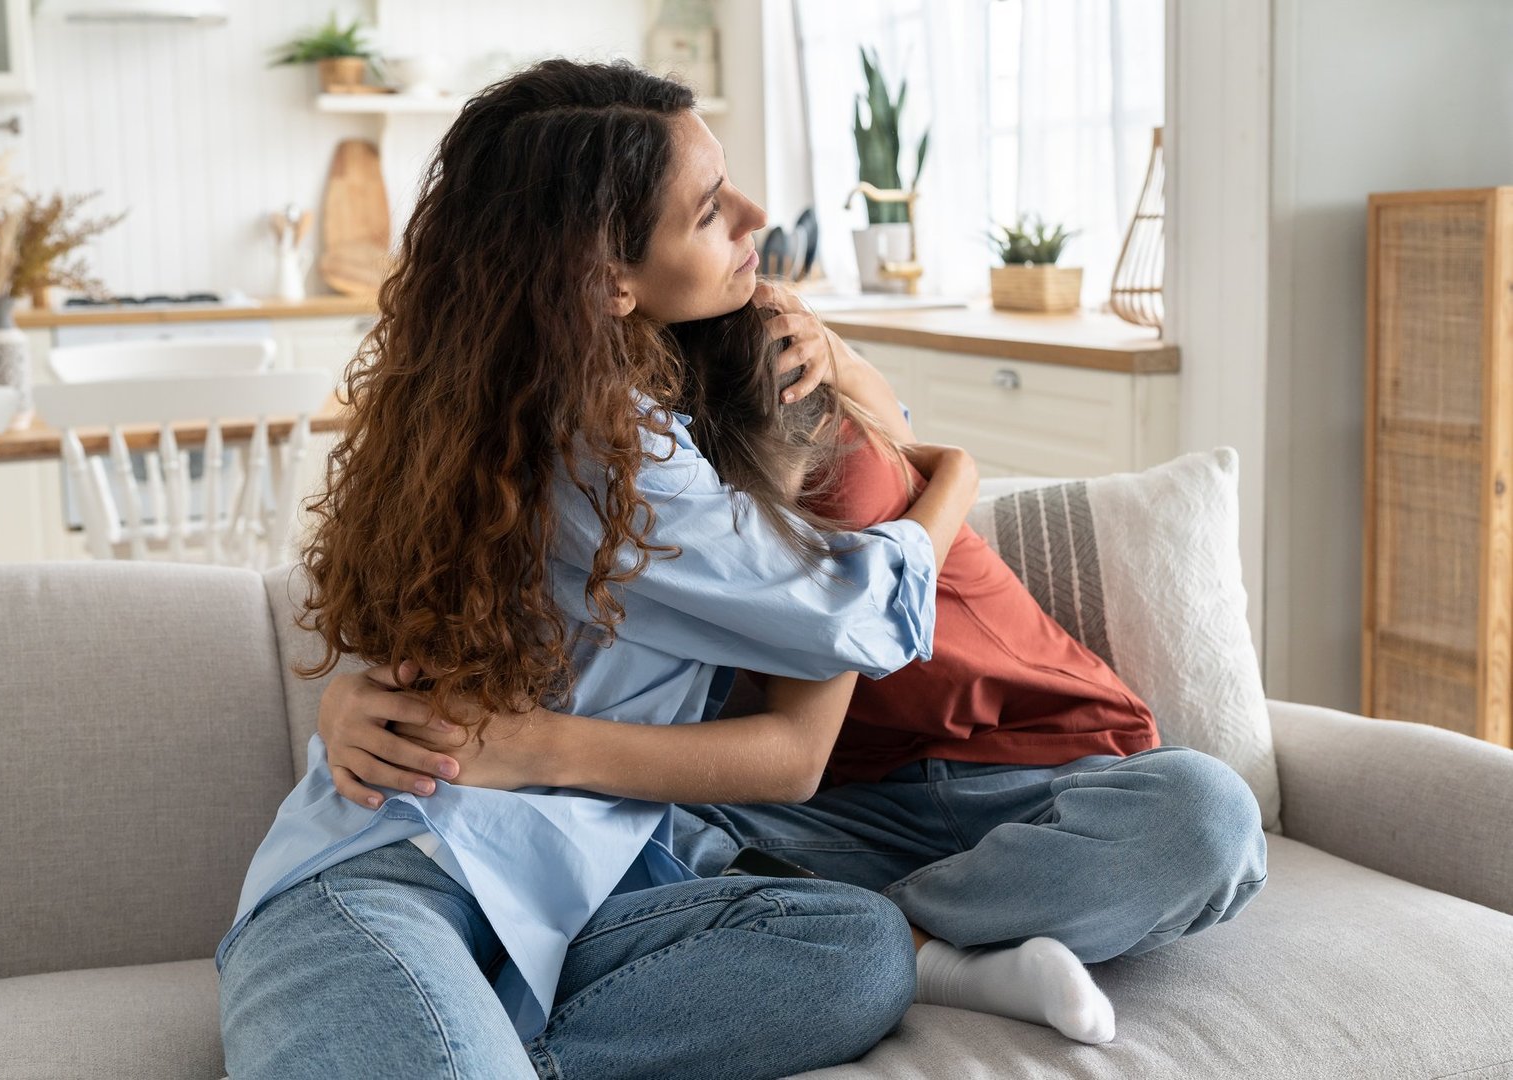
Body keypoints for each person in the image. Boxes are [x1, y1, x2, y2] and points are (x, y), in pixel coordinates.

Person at [217, 58, 988, 1080]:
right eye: (710, 208)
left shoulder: (527, 415)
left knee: (853, 949)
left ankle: (485, 1044)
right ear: (606, 278)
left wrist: (839, 363)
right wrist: (963, 475)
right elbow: (852, 609)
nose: (755, 215)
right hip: (396, 880)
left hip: (581, 902)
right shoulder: (602, 448)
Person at [323, 298, 1271, 1048]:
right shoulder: (620, 484)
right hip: (821, 820)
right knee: (597, 842)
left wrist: (934, 460)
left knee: (1202, 815)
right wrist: (355, 700)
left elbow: (825, 664)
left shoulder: (809, 434)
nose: (746, 227)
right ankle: (927, 944)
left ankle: (912, 941)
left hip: (1041, 773)